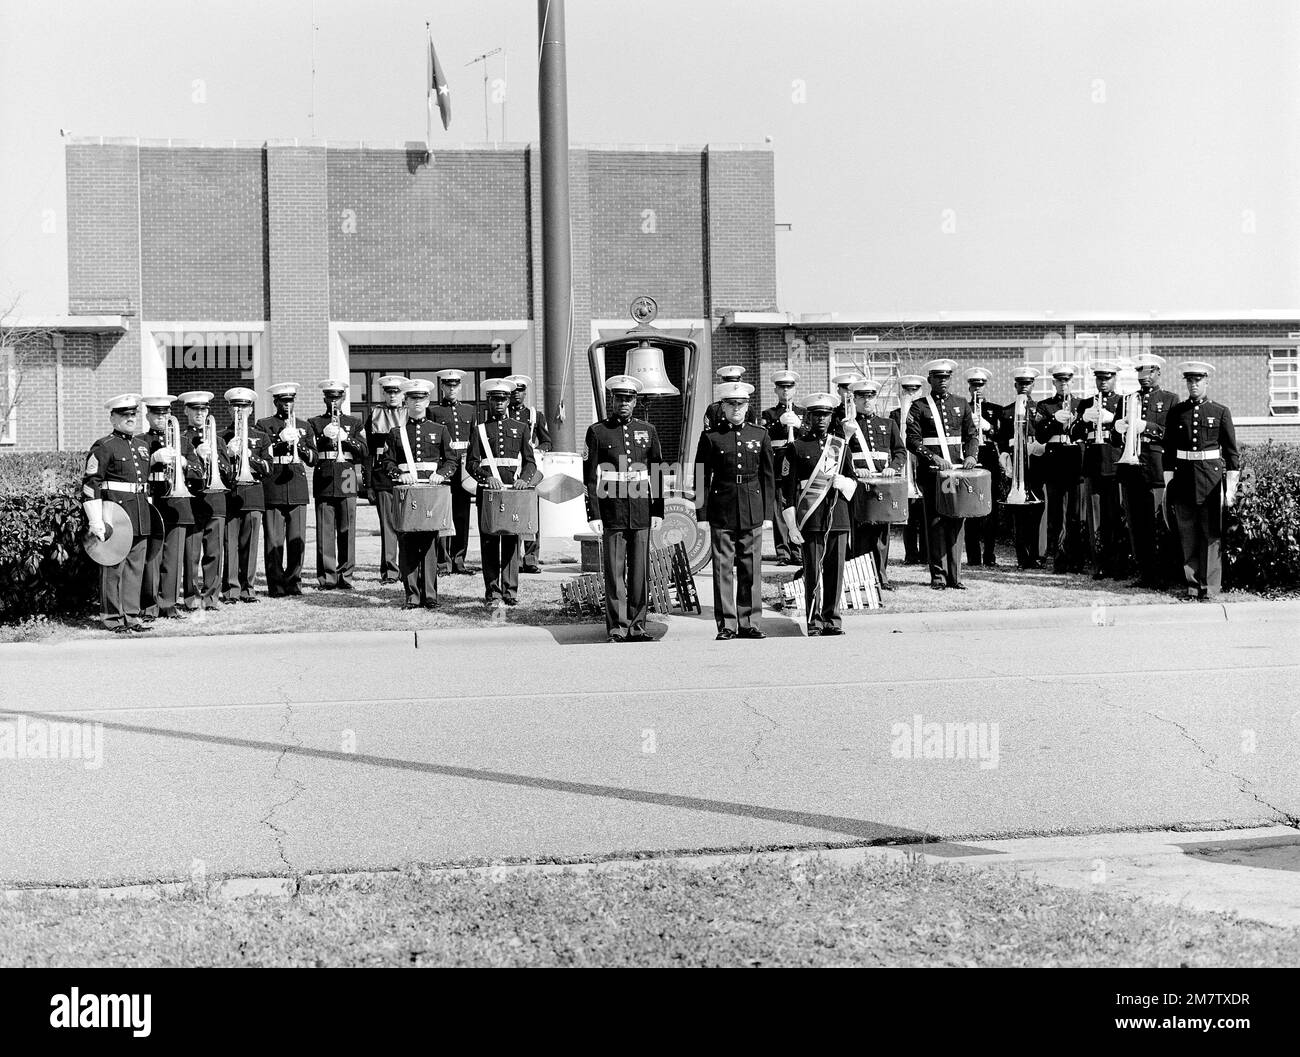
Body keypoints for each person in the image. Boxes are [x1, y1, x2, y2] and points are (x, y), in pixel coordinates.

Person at [583, 375, 665, 642]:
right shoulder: (597, 432)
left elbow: (657, 473)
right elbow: (590, 477)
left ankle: (638, 625)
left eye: (628, 398)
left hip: (641, 510)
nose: (623, 403)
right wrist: (593, 513)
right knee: (614, 573)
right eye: (619, 398)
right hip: (612, 510)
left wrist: (658, 510)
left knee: (640, 572)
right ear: (612, 400)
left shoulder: (648, 430)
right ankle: (618, 626)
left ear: (635, 401)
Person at [694, 380, 775, 639]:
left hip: (752, 507)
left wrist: (767, 515)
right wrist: (702, 513)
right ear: (723, 407)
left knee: (751, 568)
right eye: (731, 404)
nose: (736, 409)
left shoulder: (759, 435)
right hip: (722, 507)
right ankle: (728, 624)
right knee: (723, 569)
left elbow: (768, 477)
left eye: (740, 404)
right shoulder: (711, 437)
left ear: (747, 406)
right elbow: (700, 476)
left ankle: (749, 621)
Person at [782, 392, 857, 635]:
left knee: (836, 574)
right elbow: (789, 490)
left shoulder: (841, 445)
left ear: (831, 416)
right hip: (811, 518)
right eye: (817, 415)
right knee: (813, 572)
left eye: (825, 414)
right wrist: (792, 526)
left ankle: (832, 621)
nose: (821, 419)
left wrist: (843, 481)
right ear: (809, 417)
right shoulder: (797, 447)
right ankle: (813, 622)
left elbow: (854, 481)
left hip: (838, 517)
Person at [1163, 361, 1239, 601]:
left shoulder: (1220, 411)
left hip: (1210, 480)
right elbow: (1169, 449)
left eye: (1198, 380)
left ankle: (1210, 588)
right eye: (1189, 381)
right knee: (1188, 534)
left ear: (1207, 381)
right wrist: (1168, 482)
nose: (1193, 385)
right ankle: (1193, 586)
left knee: (1210, 534)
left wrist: (1230, 488)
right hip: (1184, 477)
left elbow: (1231, 453)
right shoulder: (1177, 411)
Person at [382, 378, 457, 609]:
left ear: (428, 400)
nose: (417, 402)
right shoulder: (397, 433)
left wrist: (442, 474)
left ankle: (430, 595)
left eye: (421, 398)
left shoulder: (440, 430)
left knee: (429, 545)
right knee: (407, 545)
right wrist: (398, 474)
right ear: (406, 401)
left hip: (431, 495)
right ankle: (412, 595)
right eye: (413, 398)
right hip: (407, 495)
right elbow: (387, 462)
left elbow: (452, 460)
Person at [905, 359, 979, 590]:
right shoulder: (919, 406)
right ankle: (938, 576)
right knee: (936, 524)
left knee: (957, 522)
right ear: (930, 380)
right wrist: (932, 457)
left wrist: (971, 456)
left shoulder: (961, 403)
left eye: (946, 377)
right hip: (933, 474)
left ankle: (956, 576)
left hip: (957, 473)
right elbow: (912, 440)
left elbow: (972, 435)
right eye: (938, 378)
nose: (943, 381)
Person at [82, 394, 153, 633]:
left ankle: (132, 615)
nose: (130, 418)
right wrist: (96, 520)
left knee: (135, 567)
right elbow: (91, 484)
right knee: (113, 567)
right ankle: (112, 616)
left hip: (139, 512)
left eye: (133, 414)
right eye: (124, 414)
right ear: (112, 418)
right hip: (115, 514)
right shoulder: (104, 446)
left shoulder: (143, 446)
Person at [467, 378, 540, 607]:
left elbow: (530, 462)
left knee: (510, 541)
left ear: (508, 400)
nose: (499, 403)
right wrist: (486, 477)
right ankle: (492, 592)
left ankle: (510, 591)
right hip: (489, 492)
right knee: (489, 541)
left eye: (503, 398)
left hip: (512, 492)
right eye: (494, 399)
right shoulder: (480, 430)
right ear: (488, 401)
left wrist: (523, 480)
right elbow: (471, 463)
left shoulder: (520, 428)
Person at [1116, 354, 1179, 588]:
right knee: (1137, 525)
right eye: (1141, 374)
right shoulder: (1128, 399)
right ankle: (1145, 574)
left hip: (1155, 469)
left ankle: (1163, 574)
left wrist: (1147, 427)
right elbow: (1116, 436)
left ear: (1158, 373)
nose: (1145, 378)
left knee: (1158, 524)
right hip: (1132, 469)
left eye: (1150, 373)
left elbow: (1170, 433)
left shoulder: (1170, 399)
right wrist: (1118, 428)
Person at [840, 377, 905, 592]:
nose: (867, 400)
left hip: (883, 486)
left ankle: (881, 577)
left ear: (875, 398)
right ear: (855, 399)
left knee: (882, 534)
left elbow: (900, 452)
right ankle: (860, 578)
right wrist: (854, 470)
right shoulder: (846, 426)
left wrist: (893, 468)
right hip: (858, 486)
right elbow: (839, 453)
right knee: (860, 534)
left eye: (870, 396)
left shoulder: (888, 424)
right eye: (862, 397)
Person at [256, 382, 317, 597]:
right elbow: (261, 453)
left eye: (290, 400)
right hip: (274, 484)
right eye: (283, 401)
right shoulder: (264, 425)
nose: (287, 405)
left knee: (296, 538)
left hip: (297, 484)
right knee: (274, 539)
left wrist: (299, 443)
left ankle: (293, 581)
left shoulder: (305, 426)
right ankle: (276, 584)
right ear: (276, 402)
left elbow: (312, 458)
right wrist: (279, 441)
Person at [141, 394, 199, 620]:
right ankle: (149, 605)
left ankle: (168, 604)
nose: (161, 417)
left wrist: (184, 463)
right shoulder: (140, 441)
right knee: (152, 558)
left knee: (173, 559)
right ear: (147, 415)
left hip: (177, 504)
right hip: (152, 504)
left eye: (165, 413)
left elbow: (200, 475)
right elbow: (133, 474)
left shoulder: (183, 442)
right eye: (156, 413)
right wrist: (153, 459)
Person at [309, 379, 368, 590]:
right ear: (325, 398)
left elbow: (363, 452)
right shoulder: (314, 423)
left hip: (347, 475)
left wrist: (347, 439)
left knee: (347, 528)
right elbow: (311, 455)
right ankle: (327, 577)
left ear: (343, 398)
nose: (334, 401)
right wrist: (321, 437)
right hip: (324, 475)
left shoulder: (354, 423)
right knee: (325, 531)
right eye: (330, 397)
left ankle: (346, 575)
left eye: (337, 397)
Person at [1071, 360, 1126, 580]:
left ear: (1115, 379)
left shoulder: (1122, 402)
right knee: (1094, 518)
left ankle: (1117, 563)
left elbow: (1126, 433)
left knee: (1114, 516)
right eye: (1099, 378)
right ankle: (1098, 564)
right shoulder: (1086, 403)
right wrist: (1084, 420)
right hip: (1093, 464)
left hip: (1113, 463)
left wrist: (1112, 422)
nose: (1103, 382)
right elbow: (1074, 433)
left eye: (1107, 378)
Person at [178, 391, 231, 611]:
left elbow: (229, 472)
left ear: (208, 411)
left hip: (216, 502)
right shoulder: (181, 440)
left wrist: (215, 460)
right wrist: (197, 457)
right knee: (191, 554)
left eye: (203, 409)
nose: (200, 413)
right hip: (191, 503)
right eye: (195, 409)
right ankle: (191, 598)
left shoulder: (217, 440)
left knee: (214, 553)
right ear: (186, 411)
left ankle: (211, 597)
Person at [220, 387, 271, 603]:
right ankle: (231, 589)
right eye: (235, 406)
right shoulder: (221, 436)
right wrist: (228, 455)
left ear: (251, 409)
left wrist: (250, 457)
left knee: (250, 545)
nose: (240, 410)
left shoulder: (261, 436)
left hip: (253, 495)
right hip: (229, 495)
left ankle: (247, 588)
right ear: (230, 409)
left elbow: (269, 469)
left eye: (244, 406)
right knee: (230, 544)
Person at [1034, 362, 1085, 573]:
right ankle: (1060, 559)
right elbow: (1040, 435)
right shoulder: (1045, 406)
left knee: (1075, 514)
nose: (1063, 384)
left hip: (1075, 461)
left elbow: (1084, 431)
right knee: (1056, 515)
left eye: (1067, 380)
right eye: (1059, 380)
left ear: (1072, 382)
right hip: (1055, 463)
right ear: (1054, 382)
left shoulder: (1082, 404)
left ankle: (1077, 560)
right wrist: (1054, 420)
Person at [996, 367, 1047, 570]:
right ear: (1015, 385)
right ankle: (1022, 557)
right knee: (1019, 515)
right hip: (1015, 467)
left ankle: (1037, 555)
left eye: (1028, 383)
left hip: (1035, 465)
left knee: (1037, 512)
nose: (1024, 386)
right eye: (1021, 383)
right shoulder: (1006, 411)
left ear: (1033, 385)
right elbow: (1000, 441)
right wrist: (1004, 458)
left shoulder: (1040, 409)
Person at [429, 369, 477, 575]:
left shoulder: (469, 410)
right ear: (442, 387)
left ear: (460, 387)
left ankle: (459, 561)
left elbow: (474, 441)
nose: (451, 388)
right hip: (444, 471)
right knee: (443, 517)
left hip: (464, 471)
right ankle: (443, 562)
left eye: (455, 385)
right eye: (447, 385)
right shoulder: (434, 412)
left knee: (462, 517)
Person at [507, 374, 551, 574]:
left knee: (532, 514)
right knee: (511, 514)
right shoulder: (503, 414)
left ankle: (531, 558)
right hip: (509, 469)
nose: (517, 394)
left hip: (529, 468)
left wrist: (539, 449)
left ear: (525, 393)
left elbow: (547, 441)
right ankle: (513, 560)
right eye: (514, 391)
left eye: (521, 390)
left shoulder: (535, 415)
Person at [759, 369, 803, 565]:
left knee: (798, 508)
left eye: (789, 386)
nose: (786, 390)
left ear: (794, 389)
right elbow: (765, 437)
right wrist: (778, 423)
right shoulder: (768, 414)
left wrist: (801, 425)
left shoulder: (804, 412)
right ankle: (783, 552)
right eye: (782, 387)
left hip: (799, 467)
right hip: (778, 465)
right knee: (779, 510)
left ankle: (798, 551)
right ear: (776, 390)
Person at [366, 375, 408, 584]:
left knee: (408, 525)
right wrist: (368, 484)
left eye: (397, 391)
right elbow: (368, 452)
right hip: (382, 477)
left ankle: (409, 568)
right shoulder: (375, 414)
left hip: (408, 477)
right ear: (383, 393)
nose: (393, 395)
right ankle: (391, 571)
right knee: (388, 526)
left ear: (403, 394)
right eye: (389, 392)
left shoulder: (412, 413)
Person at [963, 367, 1003, 567]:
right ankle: (973, 556)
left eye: (981, 384)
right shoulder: (963, 407)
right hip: (970, 459)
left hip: (988, 458)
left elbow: (1002, 435)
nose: (977, 388)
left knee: (991, 511)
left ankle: (990, 555)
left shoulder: (995, 409)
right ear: (969, 387)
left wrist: (989, 427)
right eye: (974, 385)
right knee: (971, 510)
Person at [891, 374, 928, 566]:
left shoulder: (925, 409)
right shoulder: (895, 415)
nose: (910, 393)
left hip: (921, 464)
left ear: (920, 391)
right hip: (905, 467)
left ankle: (927, 553)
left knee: (925, 514)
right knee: (910, 516)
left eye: (914, 390)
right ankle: (911, 554)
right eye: (907, 390)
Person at [702, 365, 757, 430]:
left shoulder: (748, 408)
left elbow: (753, 431)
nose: (732, 385)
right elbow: (709, 432)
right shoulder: (714, 408)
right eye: (728, 383)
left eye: (735, 382)